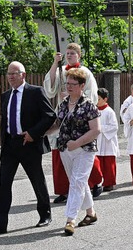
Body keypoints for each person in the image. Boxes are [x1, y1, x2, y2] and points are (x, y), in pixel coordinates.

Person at [0, 62, 56, 235]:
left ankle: (45, 214)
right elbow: (5, 121)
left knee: (37, 180)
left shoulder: (35, 92)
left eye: (14, 73)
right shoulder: (6, 95)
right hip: (10, 145)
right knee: (4, 184)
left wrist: (33, 133)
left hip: (28, 144)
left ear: (23, 75)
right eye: (8, 74)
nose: (10, 77)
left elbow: (49, 115)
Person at [44, 43, 102, 204]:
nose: (69, 55)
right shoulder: (61, 71)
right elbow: (50, 88)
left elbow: (92, 95)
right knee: (60, 151)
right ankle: (63, 189)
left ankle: (95, 182)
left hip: (79, 116)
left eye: (72, 53)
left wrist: (74, 96)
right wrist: (55, 63)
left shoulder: (85, 73)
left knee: (83, 151)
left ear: (79, 55)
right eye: (67, 53)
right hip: (63, 112)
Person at [50, 68, 101, 236]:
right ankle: (91, 213)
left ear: (82, 85)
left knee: (77, 181)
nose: (69, 87)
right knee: (78, 181)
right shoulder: (63, 104)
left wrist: (77, 142)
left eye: (73, 84)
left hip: (84, 150)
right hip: (65, 149)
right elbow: (57, 124)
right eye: (67, 83)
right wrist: (38, 133)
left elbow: (96, 130)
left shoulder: (89, 105)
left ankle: (70, 219)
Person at [96, 88, 119, 192]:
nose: (96, 100)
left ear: (105, 99)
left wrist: (100, 128)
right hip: (97, 140)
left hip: (107, 141)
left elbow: (114, 127)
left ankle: (110, 183)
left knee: (108, 163)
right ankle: (97, 183)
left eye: (99, 98)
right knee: (98, 162)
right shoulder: (94, 110)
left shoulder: (109, 111)